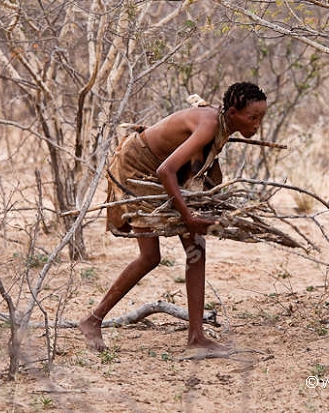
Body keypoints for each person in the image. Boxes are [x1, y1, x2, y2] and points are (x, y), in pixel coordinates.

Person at [79, 82, 267, 352]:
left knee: (196, 249)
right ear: (233, 112)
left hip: (168, 172)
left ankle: (196, 338)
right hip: (139, 167)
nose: (258, 124)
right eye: (253, 117)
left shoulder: (223, 123)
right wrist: (188, 216)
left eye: (261, 117)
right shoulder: (210, 125)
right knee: (150, 257)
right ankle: (92, 320)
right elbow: (165, 170)